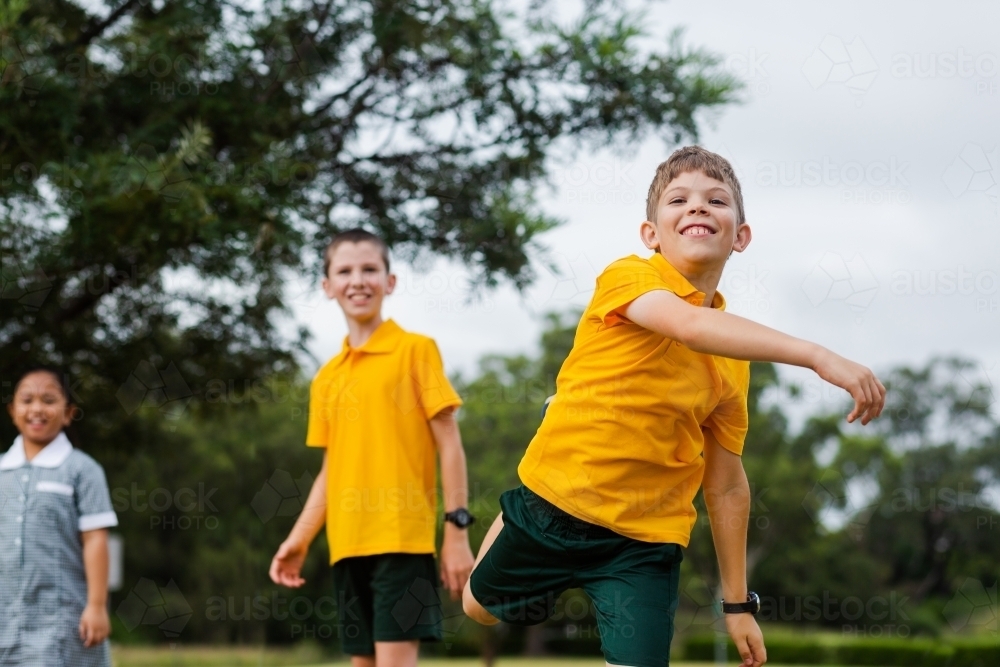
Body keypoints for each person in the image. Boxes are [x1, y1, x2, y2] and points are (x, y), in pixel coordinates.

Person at [462, 146, 886, 667]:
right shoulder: (629, 277)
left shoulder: (734, 362)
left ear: (741, 236)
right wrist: (818, 356)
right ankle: (520, 496)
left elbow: (726, 483)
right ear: (651, 235)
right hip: (553, 505)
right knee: (477, 608)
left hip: (642, 543)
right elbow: (689, 326)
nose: (698, 208)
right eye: (678, 199)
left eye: (717, 200)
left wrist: (736, 604)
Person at [269, 229, 476, 667]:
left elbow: (450, 444)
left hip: (402, 542)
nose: (357, 280)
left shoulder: (415, 351)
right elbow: (332, 469)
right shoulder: (326, 378)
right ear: (327, 287)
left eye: (369, 269)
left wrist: (456, 530)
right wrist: (299, 539)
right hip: (347, 546)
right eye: (344, 271)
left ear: (390, 281)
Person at [1, 367, 119, 666]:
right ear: (13, 410)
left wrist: (96, 605)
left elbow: (95, 538)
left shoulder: (82, 469)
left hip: (62, 617)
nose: (37, 408)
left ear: (68, 413)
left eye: (49, 399)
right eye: (27, 400)